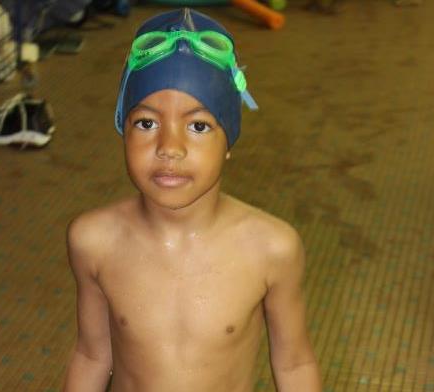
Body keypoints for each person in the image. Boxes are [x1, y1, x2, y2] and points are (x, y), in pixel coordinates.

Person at [63, 8, 321, 392]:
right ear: (122, 128)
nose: (170, 147)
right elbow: (92, 355)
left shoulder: (270, 249)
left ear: (228, 139)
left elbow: (295, 364)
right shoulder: (95, 241)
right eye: (146, 123)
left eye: (198, 125)